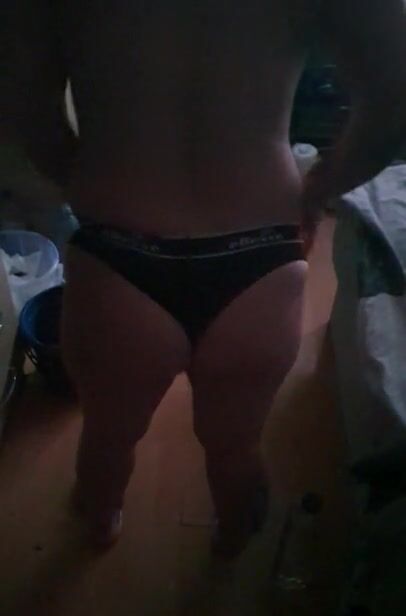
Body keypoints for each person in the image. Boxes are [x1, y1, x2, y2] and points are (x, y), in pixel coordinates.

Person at [1, 0, 405, 556]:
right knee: (235, 450)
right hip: (258, 256)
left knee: (107, 438)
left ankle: (98, 525)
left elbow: (22, 104)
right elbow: (393, 96)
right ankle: (231, 549)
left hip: (119, 250)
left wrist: (84, 180)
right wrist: (317, 189)